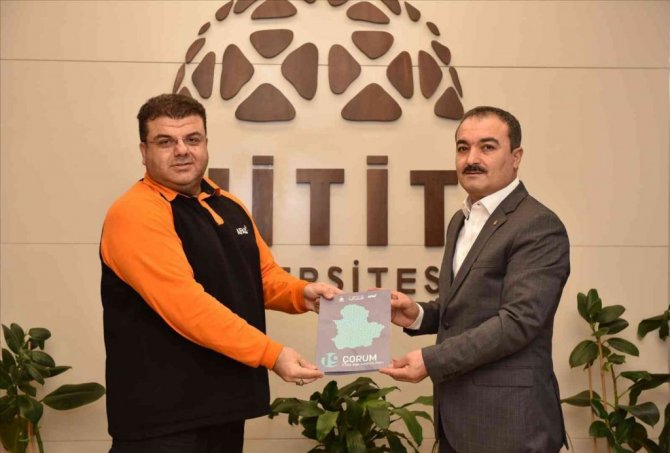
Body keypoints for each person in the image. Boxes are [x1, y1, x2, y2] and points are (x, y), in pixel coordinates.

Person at [100, 93, 339, 453]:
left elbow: (260, 276)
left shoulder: (227, 204)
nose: (182, 150)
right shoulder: (135, 213)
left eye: (192, 138)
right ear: (143, 151)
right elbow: (185, 305)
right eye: (166, 141)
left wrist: (300, 294)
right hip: (163, 422)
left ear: (206, 143)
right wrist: (272, 354)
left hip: (223, 410)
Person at [380, 106, 570, 453]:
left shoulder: (538, 225)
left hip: (510, 425)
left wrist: (431, 360)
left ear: (516, 157)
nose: (471, 159)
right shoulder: (461, 220)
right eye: (463, 148)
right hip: (458, 421)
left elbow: (518, 321)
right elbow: (467, 309)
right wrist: (418, 315)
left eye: (487, 147)